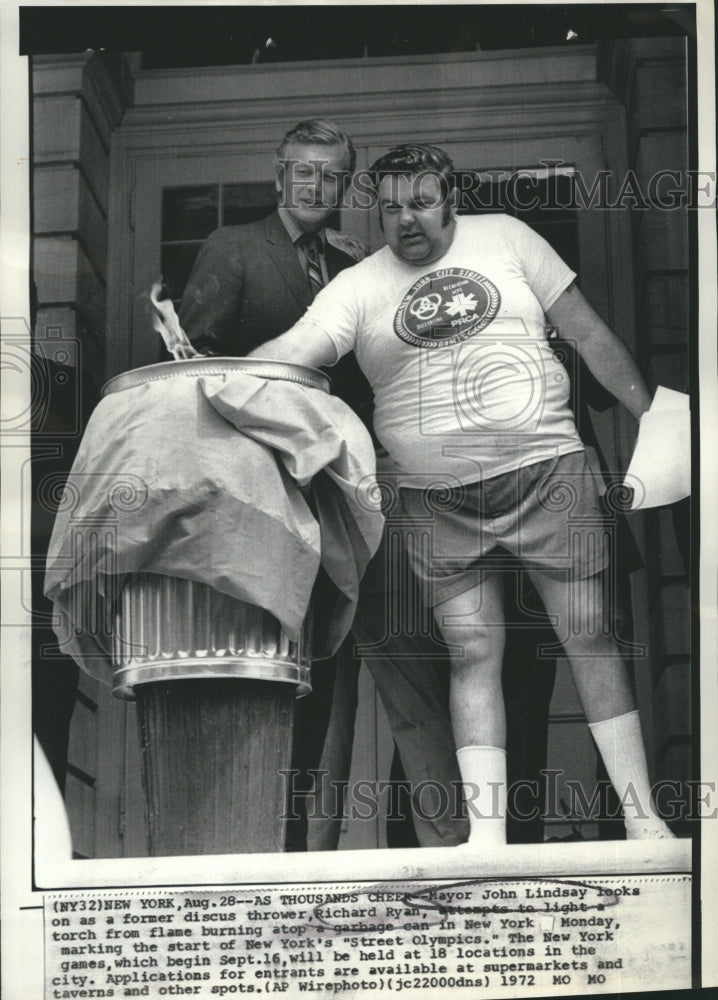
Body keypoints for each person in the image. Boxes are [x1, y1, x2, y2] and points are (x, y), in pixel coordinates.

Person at [249, 142, 675, 845]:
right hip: (437, 500)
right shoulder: (360, 285)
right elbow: (295, 350)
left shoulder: (508, 237)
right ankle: (485, 836)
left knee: (590, 638)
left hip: (549, 473)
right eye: (390, 208)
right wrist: (213, 372)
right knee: (473, 652)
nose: (405, 221)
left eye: (420, 203)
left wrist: (653, 416)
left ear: (448, 196)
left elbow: (589, 334)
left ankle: (643, 818)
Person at [179, 119, 371, 851]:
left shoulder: (355, 265)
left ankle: (306, 850)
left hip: (339, 501)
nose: (317, 185)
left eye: (332, 174)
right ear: (278, 174)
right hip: (258, 495)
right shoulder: (233, 247)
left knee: (327, 670)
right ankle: (248, 843)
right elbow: (191, 370)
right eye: (304, 170)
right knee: (261, 668)